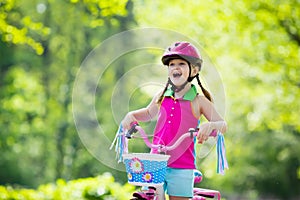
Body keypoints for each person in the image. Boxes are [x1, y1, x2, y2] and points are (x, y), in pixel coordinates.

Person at [121, 41, 227, 200]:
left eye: (181, 64)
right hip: (156, 160)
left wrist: (210, 125)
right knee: (147, 196)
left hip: (182, 165)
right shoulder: (162, 96)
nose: (175, 67)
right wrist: (132, 115)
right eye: (171, 64)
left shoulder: (199, 101)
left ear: (194, 70)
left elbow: (223, 125)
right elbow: (149, 113)